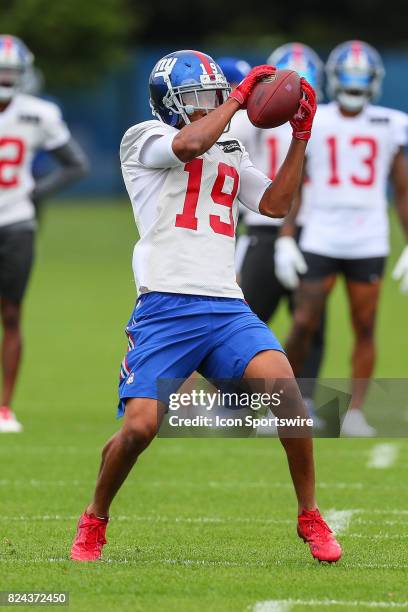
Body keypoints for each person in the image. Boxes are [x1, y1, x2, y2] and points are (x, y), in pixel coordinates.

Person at [70, 49, 341, 563]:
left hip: (224, 305)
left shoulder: (232, 148)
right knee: (139, 429)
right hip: (166, 307)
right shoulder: (142, 139)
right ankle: (95, 518)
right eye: (198, 96)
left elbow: (276, 204)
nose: (211, 102)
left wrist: (300, 137)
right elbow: (191, 142)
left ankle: (310, 515)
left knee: (289, 396)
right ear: (169, 103)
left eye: (215, 93)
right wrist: (241, 98)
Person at [283, 41, 408, 436]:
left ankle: (354, 412)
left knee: (365, 325)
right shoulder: (315, 119)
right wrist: (287, 236)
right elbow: (296, 182)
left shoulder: (392, 122)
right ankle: (288, 406)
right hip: (320, 233)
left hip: (368, 238)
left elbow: (402, 189)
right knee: (303, 322)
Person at [224, 46, 326, 419]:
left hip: (310, 231)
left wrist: (290, 234)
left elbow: (307, 181)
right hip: (263, 228)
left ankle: (305, 398)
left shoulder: (322, 120)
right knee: (246, 317)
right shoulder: (252, 120)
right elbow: (233, 170)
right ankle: (237, 400)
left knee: (310, 319)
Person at [0, 35, 89, 433]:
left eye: (10, 71)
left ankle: (4, 408)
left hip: (16, 221)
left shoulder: (39, 113)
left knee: (12, 314)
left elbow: (75, 164)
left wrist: (35, 193)